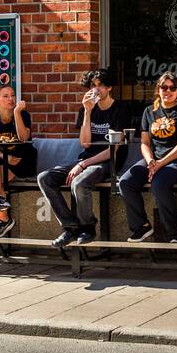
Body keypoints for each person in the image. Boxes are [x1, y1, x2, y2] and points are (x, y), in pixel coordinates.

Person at [37, 68, 131, 249]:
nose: (96, 90)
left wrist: (83, 164)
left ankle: (87, 227)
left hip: (108, 162)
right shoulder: (87, 109)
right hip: (86, 159)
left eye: (101, 86)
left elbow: (114, 150)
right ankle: (70, 226)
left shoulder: (120, 109)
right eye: (93, 86)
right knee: (45, 178)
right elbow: (85, 144)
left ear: (109, 87)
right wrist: (88, 112)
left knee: (78, 183)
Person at [118, 72, 177, 242]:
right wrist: (150, 161)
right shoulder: (149, 111)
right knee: (126, 182)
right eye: (164, 87)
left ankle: (175, 233)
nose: (167, 91)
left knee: (159, 184)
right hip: (154, 161)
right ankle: (141, 226)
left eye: (172, 88)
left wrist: (161, 163)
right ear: (158, 89)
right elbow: (145, 143)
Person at [0, 85, 36, 239]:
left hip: (23, 159)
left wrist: (16, 112)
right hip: (4, 158)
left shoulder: (23, 115)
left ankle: (2, 219)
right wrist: (6, 157)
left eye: (12, 95)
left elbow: (24, 138)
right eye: (5, 96)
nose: (11, 99)